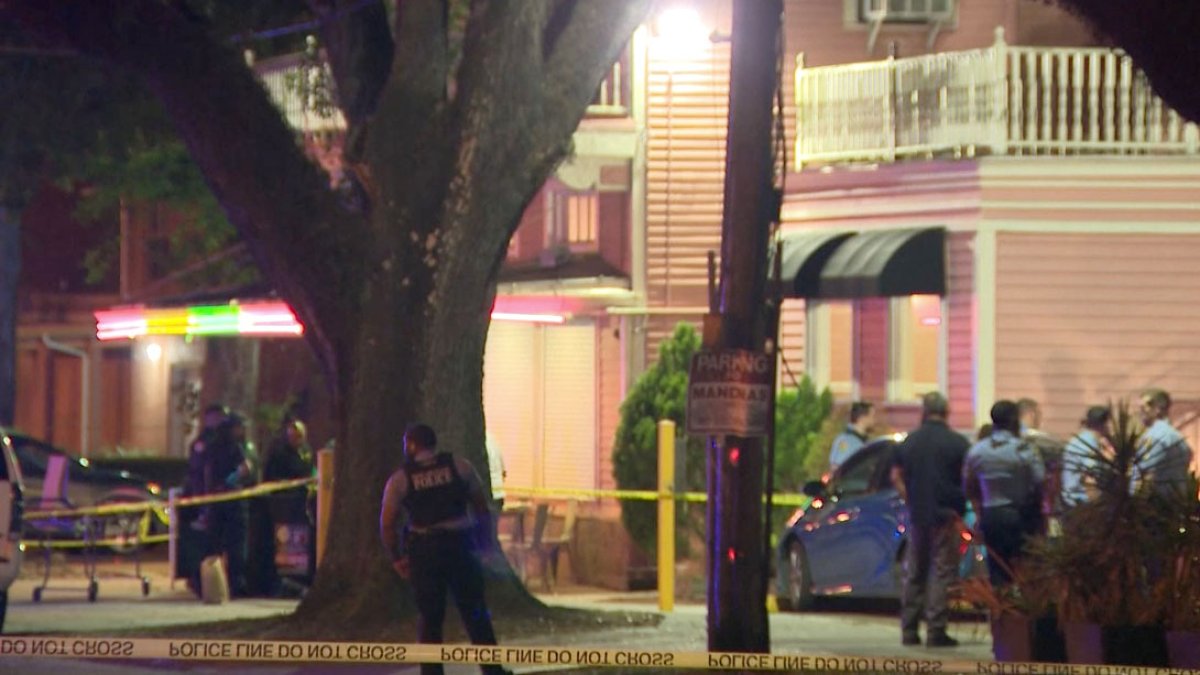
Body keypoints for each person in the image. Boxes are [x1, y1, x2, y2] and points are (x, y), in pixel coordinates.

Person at [379, 423, 508, 675]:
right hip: (461, 547)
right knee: (476, 614)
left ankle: (432, 673)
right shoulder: (461, 467)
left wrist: (396, 559)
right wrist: (485, 545)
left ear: (412, 446)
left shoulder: (401, 479)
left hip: (425, 552)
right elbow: (482, 510)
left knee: (430, 619)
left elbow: (386, 524)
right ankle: (493, 670)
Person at [890, 392, 969, 648]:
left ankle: (909, 630)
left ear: (923, 412)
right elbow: (967, 479)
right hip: (946, 515)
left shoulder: (909, 442)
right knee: (941, 572)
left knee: (915, 571)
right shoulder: (958, 443)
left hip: (918, 515)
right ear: (946, 412)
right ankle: (936, 631)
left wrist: (910, 497)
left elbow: (896, 477)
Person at [963, 400, 1045, 586]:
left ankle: (1000, 610)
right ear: (1014, 421)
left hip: (991, 516)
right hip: (1020, 516)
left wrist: (978, 513)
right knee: (1024, 569)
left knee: (997, 570)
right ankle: (1020, 611)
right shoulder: (1024, 449)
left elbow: (969, 486)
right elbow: (1040, 482)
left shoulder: (977, 451)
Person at [203, 412, 257, 598]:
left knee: (227, 546)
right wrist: (234, 477)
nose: (241, 431)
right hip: (226, 503)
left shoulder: (231, 447)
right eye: (238, 427)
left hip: (227, 503)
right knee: (226, 545)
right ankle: (225, 585)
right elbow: (241, 470)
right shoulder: (226, 448)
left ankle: (226, 584)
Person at [1133, 388, 1195, 495]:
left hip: (1155, 503)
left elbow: (1144, 473)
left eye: (1145, 407)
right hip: (1176, 501)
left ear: (1158, 409)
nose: (1141, 412)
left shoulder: (1155, 437)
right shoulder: (1177, 437)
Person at [1061, 406, 1111, 509]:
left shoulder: (1079, 440)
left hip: (1070, 500)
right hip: (1081, 504)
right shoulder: (1090, 444)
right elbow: (1090, 480)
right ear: (1104, 424)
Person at [829, 401, 875, 473]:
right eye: (872, 416)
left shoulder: (864, 441)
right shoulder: (846, 441)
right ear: (862, 418)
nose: (874, 420)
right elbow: (837, 467)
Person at [484, 431, 506, 513]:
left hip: (487, 495)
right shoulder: (492, 439)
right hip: (499, 494)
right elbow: (503, 472)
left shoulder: (476, 443)